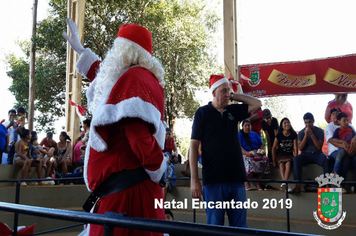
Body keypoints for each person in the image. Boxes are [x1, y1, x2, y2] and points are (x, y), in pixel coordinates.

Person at [64, 18, 166, 236]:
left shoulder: (135, 79)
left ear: (126, 52)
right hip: (123, 192)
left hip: (128, 196)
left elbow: (138, 135)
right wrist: (84, 52)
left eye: (116, 48)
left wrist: (158, 168)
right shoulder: (135, 77)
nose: (112, 54)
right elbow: (106, 84)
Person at [190, 74, 261, 227]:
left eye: (228, 91)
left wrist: (234, 94)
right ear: (213, 92)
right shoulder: (202, 113)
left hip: (236, 180)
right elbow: (194, 146)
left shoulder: (232, 111)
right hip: (213, 182)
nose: (227, 94)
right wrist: (194, 180)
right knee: (215, 227)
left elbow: (257, 103)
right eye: (223, 91)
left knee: (240, 228)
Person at [292, 112, 329, 193]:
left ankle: (327, 185)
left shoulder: (319, 131)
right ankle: (297, 185)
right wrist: (305, 136)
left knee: (326, 159)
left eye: (309, 122)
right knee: (297, 159)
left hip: (317, 154)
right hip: (305, 154)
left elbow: (319, 146)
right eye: (306, 122)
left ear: (313, 121)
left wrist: (311, 135)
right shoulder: (302, 132)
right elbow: (300, 148)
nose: (308, 125)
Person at [325, 108, 354, 186]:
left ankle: (344, 183)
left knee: (348, 159)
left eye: (337, 113)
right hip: (334, 152)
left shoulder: (349, 126)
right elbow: (331, 140)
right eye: (333, 114)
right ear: (330, 116)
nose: (335, 115)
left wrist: (351, 146)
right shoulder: (329, 127)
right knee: (343, 158)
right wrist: (343, 145)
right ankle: (337, 179)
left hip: (348, 149)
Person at [239, 119, 270, 190]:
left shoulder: (255, 134)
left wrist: (262, 151)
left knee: (265, 160)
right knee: (249, 161)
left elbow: (261, 145)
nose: (247, 127)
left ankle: (258, 182)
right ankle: (247, 183)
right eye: (245, 125)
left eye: (249, 125)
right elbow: (239, 147)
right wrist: (247, 153)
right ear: (243, 127)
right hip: (245, 154)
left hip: (256, 153)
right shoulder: (240, 135)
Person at [271, 117, 298, 192]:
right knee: (281, 163)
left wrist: (296, 158)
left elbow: (295, 148)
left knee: (288, 163)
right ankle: (285, 183)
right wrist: (273, 161)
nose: (287, 124)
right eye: (285, 123)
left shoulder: (293, 134)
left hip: (289, 155)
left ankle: (284, 183)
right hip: (280, 155)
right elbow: (273, 148)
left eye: (288, 122)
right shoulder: (279, 135)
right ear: (282, 126)